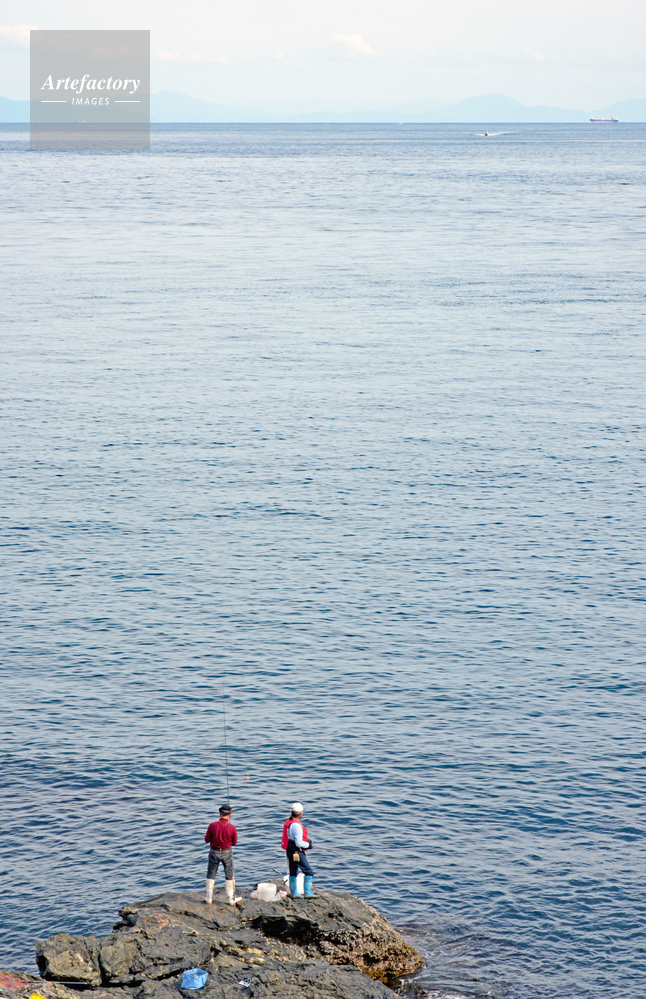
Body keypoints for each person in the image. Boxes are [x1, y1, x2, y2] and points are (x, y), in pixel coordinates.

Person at [204, 804, 242, 905]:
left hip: (214, 852)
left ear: (220, 814)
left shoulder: (212, 825)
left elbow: (206, 840)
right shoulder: (232, 827)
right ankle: (231, 899)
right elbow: (234, 843)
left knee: (211, 874)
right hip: (227, 852)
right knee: (229, 875)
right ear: (229, 815)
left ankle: (209, 899)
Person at [281, 801, 314, 897]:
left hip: (289, 851)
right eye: (302, 812)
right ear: (299, 813)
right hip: (297, 852)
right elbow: (298, 843)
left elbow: (293, 837)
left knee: (293, 872)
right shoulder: (296, 825)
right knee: (309, 871)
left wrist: (307, 841)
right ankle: (307, 893)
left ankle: (294, 893)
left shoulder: (289, 822)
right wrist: (308, 845)